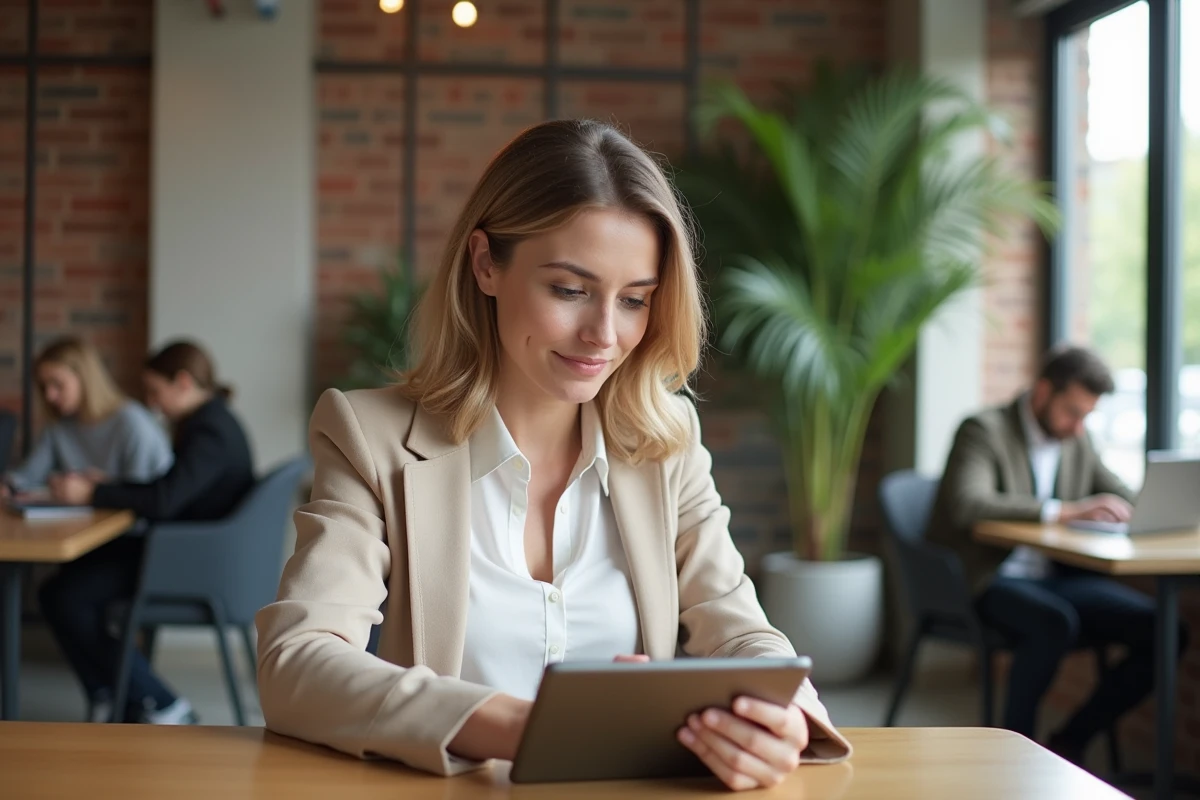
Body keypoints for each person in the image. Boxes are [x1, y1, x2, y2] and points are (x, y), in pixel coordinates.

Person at [255, 120, 850, 789]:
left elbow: (741, 634)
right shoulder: (372, 437)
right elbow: (297, 662)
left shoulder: (665, 443)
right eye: (570, 290)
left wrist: (781, 716)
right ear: (486, 263)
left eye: (635, 300)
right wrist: (527, 725)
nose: (604, 334)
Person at [926, 345, 1188, 763]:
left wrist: (1156, 508)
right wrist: (1064, 511)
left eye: (1086, 416)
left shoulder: (1075, 440)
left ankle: (1069, 742)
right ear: (1044, 391)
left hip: (1056, 577)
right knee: (1053, 623)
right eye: (1073, 412)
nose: (1079, 426)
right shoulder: (984, 429)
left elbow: (1118, 491)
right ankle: (1014, 757)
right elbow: (967, 503)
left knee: (1164, 629)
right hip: (990, 577)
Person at [41, 340, 255, 725]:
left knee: (65, 596)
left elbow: (163, 500)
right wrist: (106, 486)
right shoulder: (213, 422)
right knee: (67, 582)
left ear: (183, 383)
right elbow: (168, 491)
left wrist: (93, 493)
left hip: (186, 562)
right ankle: (117, 696)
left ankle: (157, 701)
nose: (152, 403)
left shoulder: (209, 431)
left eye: (156, 391)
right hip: (187, 552)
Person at [4, 336, 172, 494]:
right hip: (82, 515)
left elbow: (144, 495)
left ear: (85, 378)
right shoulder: (59, 426)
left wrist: (100, 488)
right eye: (44, 386)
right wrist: (7, 486)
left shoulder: (133, 422)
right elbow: (28, 475)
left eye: (57, 384)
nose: (49, 395)